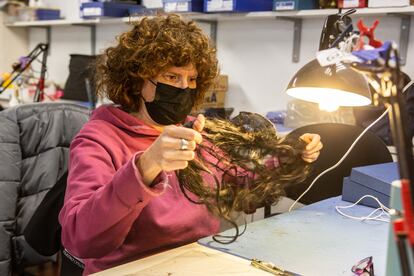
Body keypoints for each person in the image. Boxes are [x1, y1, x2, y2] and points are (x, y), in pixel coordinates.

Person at [58, 14, 323, 275]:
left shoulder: (196, 130)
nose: (184, 88)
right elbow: (81, 238)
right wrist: (146, 166)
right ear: (138, 80)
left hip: (195, 261)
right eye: (172, 77)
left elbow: (237, 180)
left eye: (192, 79)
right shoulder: (99, 139)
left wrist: (286, 156)